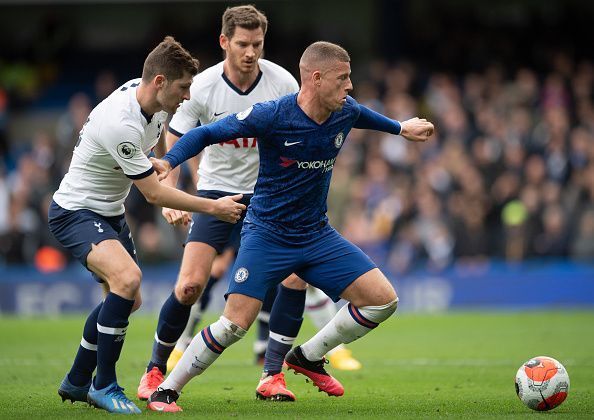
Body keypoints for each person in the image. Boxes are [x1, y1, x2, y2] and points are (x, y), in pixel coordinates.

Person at [146, 41, 434, 412]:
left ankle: (307, 357)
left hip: (316, 234)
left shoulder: (344, 111)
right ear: (316, 79)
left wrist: (400, 129)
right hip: (267, 233)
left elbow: (364, 115)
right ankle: (166, 390)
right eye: (342, 78)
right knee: (234, 325)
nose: (350, 87)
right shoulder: (272, 115)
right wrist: (169, 162)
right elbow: (204, 134)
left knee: (383, 301)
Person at [137, 5, 361, 404]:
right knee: (189, 286)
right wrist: (171, 191)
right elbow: (179, 138)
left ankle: (272, 374)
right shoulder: (202, 87)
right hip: (215, 193)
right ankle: (155, 369)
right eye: (242, 44)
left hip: (269, 197)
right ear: (225, 42)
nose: (251, 52)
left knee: (295, 279)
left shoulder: (281, 81)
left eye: (257, 44)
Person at [48, 36, 246, 414]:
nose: (187, 96)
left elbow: (153, 154)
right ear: (159, 82)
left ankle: (75, 379)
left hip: (109, 211)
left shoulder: (151, 104)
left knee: (128, 298)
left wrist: (163, 175)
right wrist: (213, 207)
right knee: (127, 281)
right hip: (76, 212)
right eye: (183, 87)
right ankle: (103, 385)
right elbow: (152, 196)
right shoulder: (119, 121)